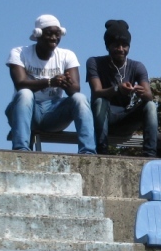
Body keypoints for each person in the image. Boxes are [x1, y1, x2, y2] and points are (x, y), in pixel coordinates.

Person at [6, 14, 95, 154]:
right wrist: (50, 82)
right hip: (28, 111)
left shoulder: (67, 55)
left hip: (53, 114)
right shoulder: (19, 53)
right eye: (49, 34)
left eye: (57, 34)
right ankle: (21, 150)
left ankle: (88, 151)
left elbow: (75, 89)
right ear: (38, 34)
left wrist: (66, 83)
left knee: (80, 98)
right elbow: (20, 84)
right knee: (25, 93)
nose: (54, 38)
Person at [86, 20, 157, 157]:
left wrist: (141, 92)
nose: (120, 49)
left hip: (125, 119)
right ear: (107, 46)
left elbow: (149, 95)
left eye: (124, 45)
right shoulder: (94, 62)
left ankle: (150, 155)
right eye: (116, 45)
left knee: (151, 106)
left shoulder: (137, 66)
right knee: (100, 101)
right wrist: (117, 89)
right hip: (103, 117)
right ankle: (102, 152)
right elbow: (96, 92)